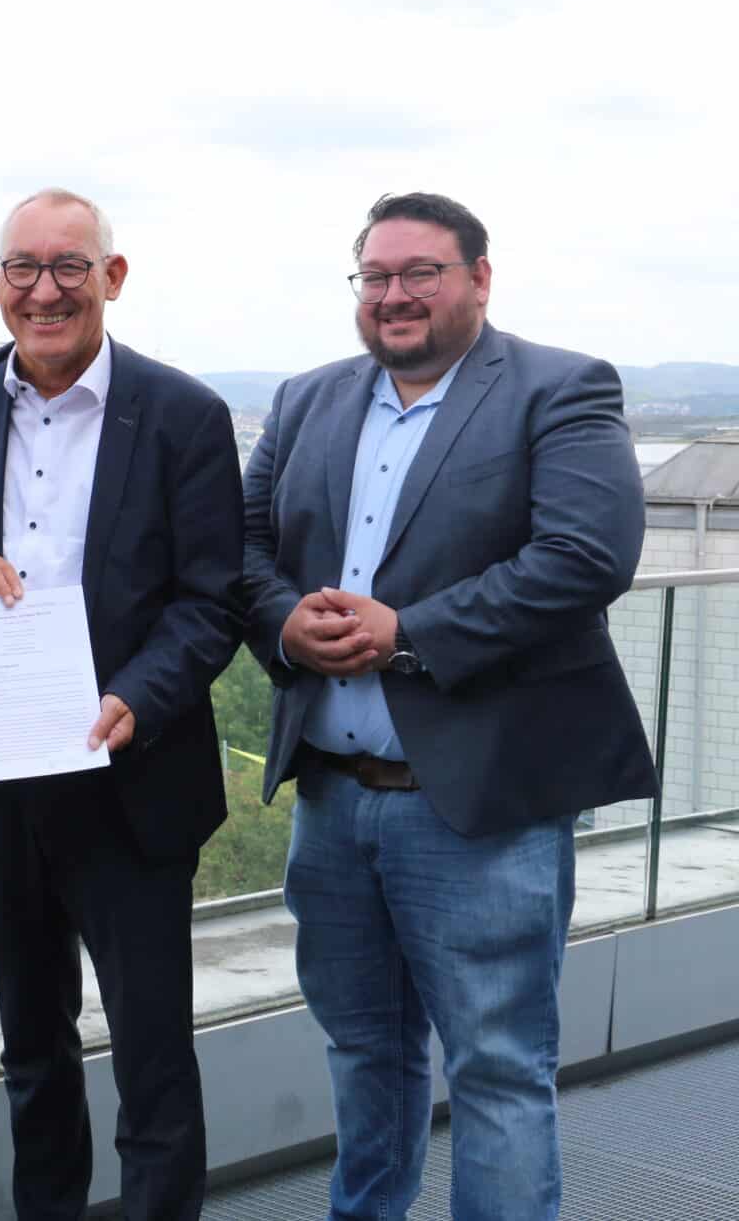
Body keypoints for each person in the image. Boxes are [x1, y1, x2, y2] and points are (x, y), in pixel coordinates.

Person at [243, 191, 656, 1220]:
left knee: (497, 1069)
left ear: (478, 277)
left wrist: (408, 632)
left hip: (478, 808)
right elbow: (240, 546)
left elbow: (584, 557)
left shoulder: (558, 389)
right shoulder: (305, 399)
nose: (395, 294)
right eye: (375, 276)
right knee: (362, 1052)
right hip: (331, 803)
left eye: (420, 272)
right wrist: (285, 622)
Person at [0, 188, 243, 1220]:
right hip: (4, 776)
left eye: (69, 266)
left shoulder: (184, 414)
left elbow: (212, 599)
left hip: (131, 776)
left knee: (152, 1056)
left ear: (112, 276)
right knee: (31, 1049)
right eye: (23, 267)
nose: (45, 290)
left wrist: (137, 696)